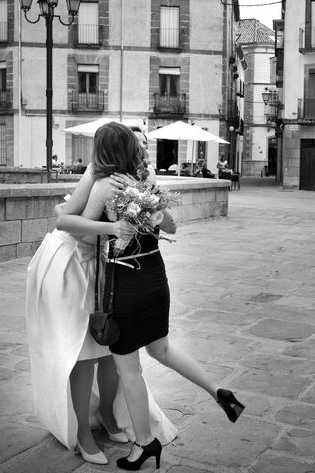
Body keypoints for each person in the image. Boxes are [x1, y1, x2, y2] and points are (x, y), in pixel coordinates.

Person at [78, 122, 246, 471]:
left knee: (130, 370)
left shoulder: (107, 185)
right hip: (156, 277)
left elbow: (81, 238)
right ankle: (217, 390)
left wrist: (109, 229)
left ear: (104, 151)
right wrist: (150, 210)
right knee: (162, 349)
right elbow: (170, 226)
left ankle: (144, 444)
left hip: (126, 281)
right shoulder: (149, 184)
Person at [26, 126, 177, 466]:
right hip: (69, 266)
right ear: (124, 149)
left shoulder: (126, 179)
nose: (143, 149)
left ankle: (108, 416)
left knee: (110, 347)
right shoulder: (102, 178)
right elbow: (65, 221)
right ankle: (81, 433)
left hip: (98, 265)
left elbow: (63, 211)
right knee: (83, 354)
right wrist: (112, 228)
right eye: (137, 144)